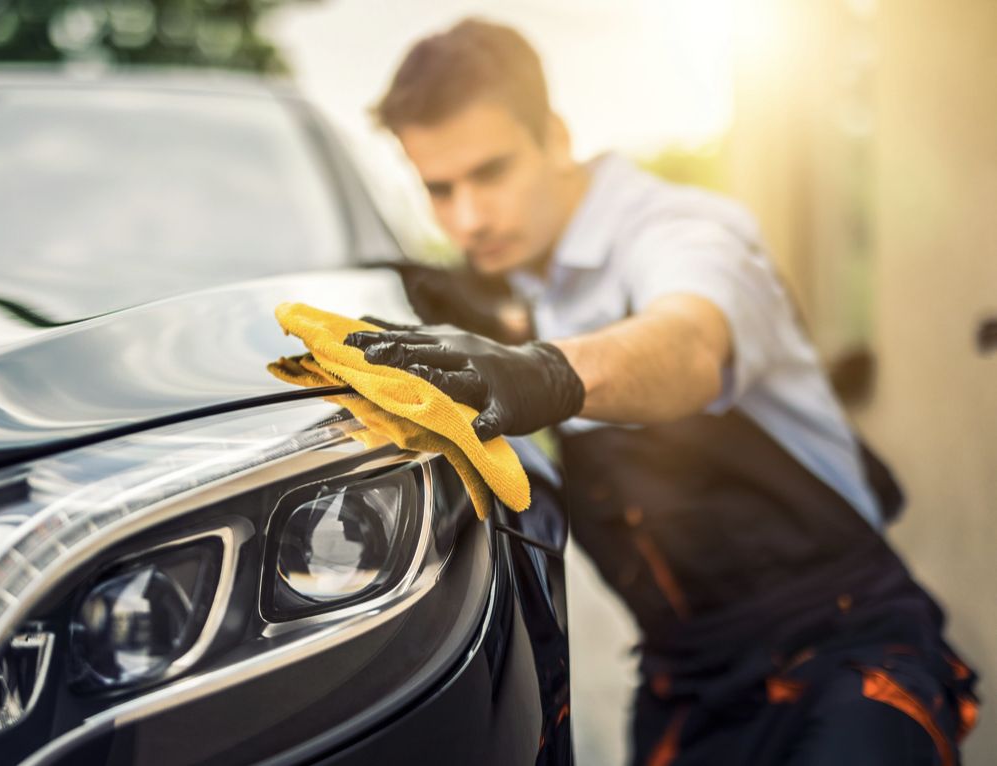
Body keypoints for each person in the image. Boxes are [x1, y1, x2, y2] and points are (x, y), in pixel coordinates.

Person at [347, 18, 979, 765]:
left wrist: (547, 373)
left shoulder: (682, 229)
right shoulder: (523, 284)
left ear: (554, 134)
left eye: (490, 173)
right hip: (687, 687)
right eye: (438, 189)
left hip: (843, 655)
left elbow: (688, 345)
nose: (467, 218)